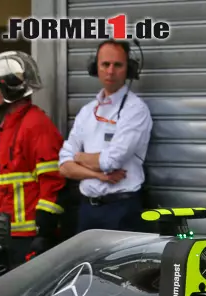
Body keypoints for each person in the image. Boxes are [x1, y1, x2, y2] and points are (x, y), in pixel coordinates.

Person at [59, 39, 152, 233]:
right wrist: (97, 174)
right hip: (87, 211)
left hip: (122, 210)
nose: (110, 71)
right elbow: (64, 165)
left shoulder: (135, 109)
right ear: (96, 67)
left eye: (117, 65)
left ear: (129, 69)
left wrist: (80, 157)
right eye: (105, 64)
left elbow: (112, 160)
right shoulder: (87, 112)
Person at [0, 51, 67, 266]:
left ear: (9, 87)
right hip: (5, 237)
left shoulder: (36, 126)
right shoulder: (4, 129)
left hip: (30, 238)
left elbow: (53, 181)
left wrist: (44, 234)